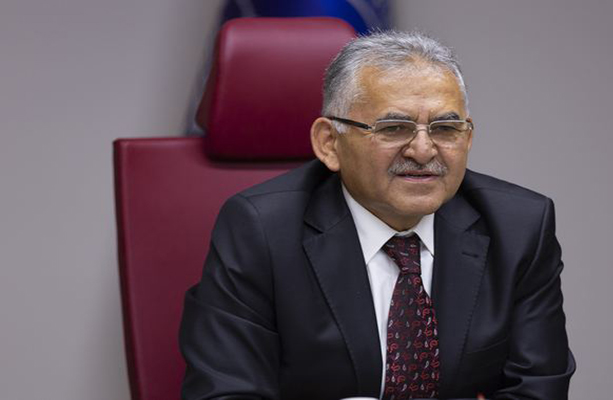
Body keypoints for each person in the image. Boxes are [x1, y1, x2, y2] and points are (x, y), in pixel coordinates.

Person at [179, 31, 575, 400]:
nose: (423, 151)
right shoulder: (262, 229)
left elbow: (539, 389)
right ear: (329, 143)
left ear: (467, 137)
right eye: (394, 127)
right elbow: (225, 392)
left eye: (445, 128)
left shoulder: (519, 227)